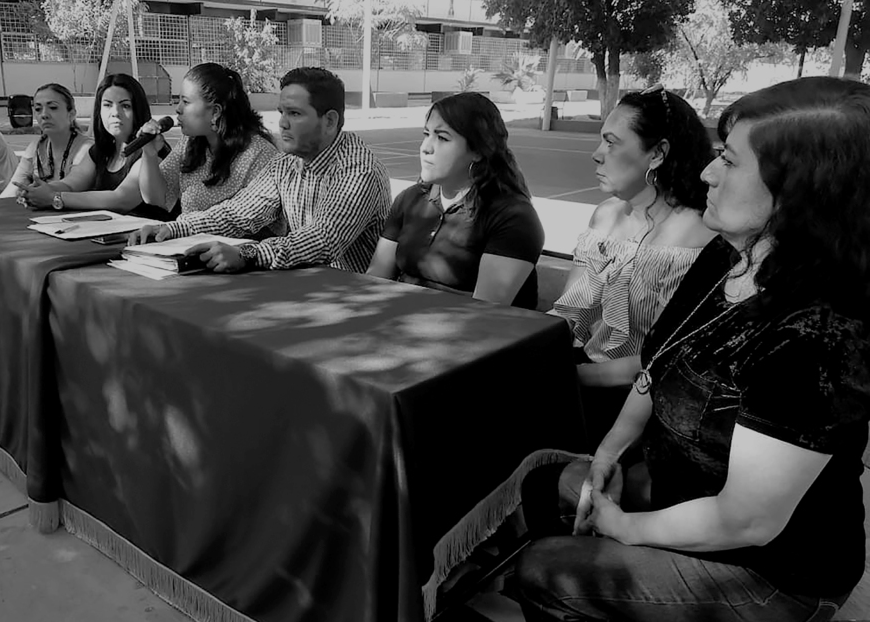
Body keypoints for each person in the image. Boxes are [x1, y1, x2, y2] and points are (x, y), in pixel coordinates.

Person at [511, 76, 870, 622]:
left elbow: (746, 519)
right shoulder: (732, 252)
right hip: (681, 493)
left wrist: (627, 529)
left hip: (771, 570)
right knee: (549, 485)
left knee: (545, 572)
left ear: (801, 189)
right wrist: (610, 453)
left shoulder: (819, 333)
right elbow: (657, 363)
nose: (706, 172)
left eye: (729, 160)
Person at [549, 86, 715, 446]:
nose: (597, 154)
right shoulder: (604, 216)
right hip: (581, 373)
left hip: (643, 400)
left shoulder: (699, 237)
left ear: (657, 153)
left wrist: (571, 377)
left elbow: (662, 357)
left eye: (611, 143)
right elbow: (568, 315)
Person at [128, 67, 391, 274]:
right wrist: (173, 229)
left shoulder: (358, 170)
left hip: (358, 294)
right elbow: (236, 213)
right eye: (281, 112)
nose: (283, 123)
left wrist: (248, 254)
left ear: (330, 121)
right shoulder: (286, 164)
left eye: (295, 114)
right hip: (307, 284)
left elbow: (323, 240)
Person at [365, 93, 544, 309]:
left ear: (478, 151)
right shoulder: (410, 199)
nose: (426, 147)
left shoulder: (512, 217)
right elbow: (375, 280)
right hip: (398, 319)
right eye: (426, 134)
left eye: (442, 138)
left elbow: (484, 312)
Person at [16, 73, 176, 220]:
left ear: (138, 109)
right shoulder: (100, 150)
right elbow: (71, 184)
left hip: (153, 236)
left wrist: (54, 198)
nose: (115, 113)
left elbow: (121, 200)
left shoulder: (151, 149)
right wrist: (41, 190)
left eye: (125, 106)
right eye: (107, 105)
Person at [136, 63, 279, 217]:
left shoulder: (259, 154)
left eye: (186, 102)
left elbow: (248, 219)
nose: (178, 109)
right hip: (188, 232)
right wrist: (149, 154)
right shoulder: (190, 142)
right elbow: (156, 198)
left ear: (215, 112)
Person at [0, 83, 92, 198]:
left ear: (71, 114)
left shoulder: (85, 148)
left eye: (53, 107)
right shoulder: (36, 147)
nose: (44, 115)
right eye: (38, 109)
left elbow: (73, 185)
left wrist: (40, 191)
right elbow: (14, 188)